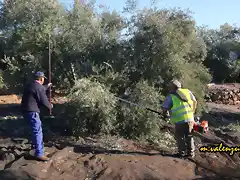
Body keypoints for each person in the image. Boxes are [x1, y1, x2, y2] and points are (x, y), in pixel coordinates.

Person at [21, 71, 53, 161]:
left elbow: (41, 89)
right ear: (41, 78)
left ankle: (36, 148)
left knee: (33, 130)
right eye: (43, 79)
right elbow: (43, 100)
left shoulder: (31, 85)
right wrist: (50, 106)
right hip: (32, 111)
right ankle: (39, 153)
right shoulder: (38, 87)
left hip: (25, 111)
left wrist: (47, 86)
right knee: (37, 131)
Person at [162, 79, 197, 158]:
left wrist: (165, 115)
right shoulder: (187, 91)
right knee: (189, 136)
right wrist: (192, 112)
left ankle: (182, 153)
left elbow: (165, 108)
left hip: (179, 120)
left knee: (180, 136)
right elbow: (195, 101)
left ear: (172, 87)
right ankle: (191, 154)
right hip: (190, 119)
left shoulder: (171, 96)